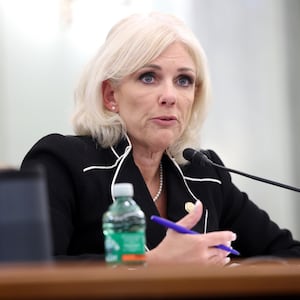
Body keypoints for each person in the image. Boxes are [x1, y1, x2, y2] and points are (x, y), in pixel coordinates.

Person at [21, 12, 300, 265]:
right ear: (110, 95)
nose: (170, 96)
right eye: (148, 77)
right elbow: (30, 273)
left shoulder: (205, 173)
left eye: (183, 80)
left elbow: (289, 255)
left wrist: (233, 273)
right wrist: (148, 265)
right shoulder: (63, 161)